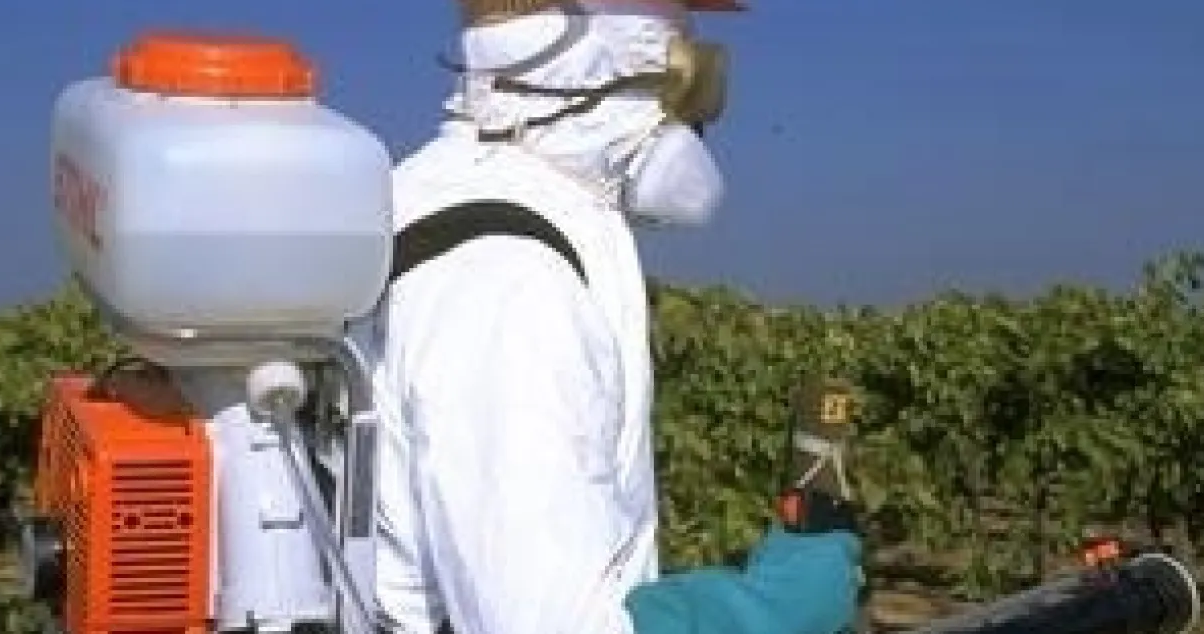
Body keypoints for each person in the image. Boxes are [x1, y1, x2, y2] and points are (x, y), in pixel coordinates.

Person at [346, 1, 865, 632]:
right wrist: (771, 610)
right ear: (599, 51)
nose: (695, 101)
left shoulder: (429, 197)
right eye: (678, 43)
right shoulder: (513, 283)